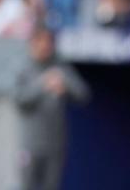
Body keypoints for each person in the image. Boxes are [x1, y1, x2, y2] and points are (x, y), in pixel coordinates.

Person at [15, 27, 91, 190]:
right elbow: (20, 100)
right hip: (31, 143)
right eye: (41, 41)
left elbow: (83, 95)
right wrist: (42, 84)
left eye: (49, 42)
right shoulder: (23, 67)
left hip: (56, 143)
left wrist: (65, 86)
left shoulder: (60, 66)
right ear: (33, 43)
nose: (45, 46)